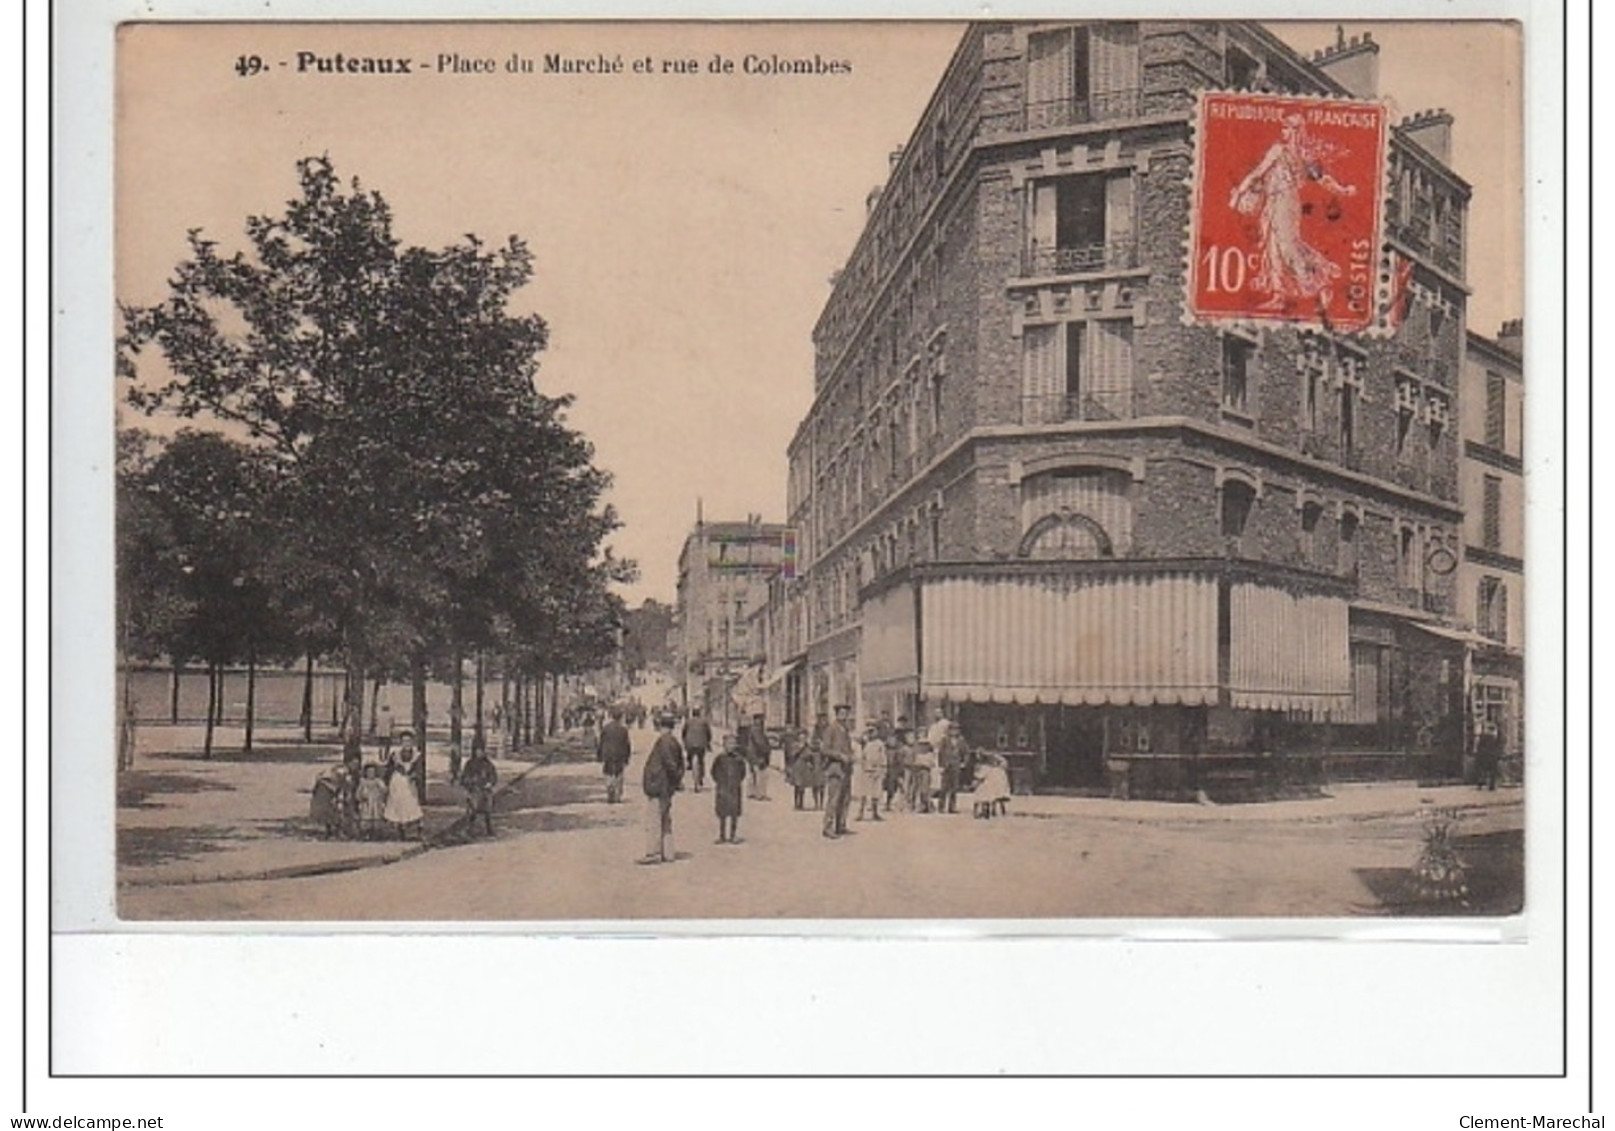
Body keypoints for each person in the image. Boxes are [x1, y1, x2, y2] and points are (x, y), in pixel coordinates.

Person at [1228, 112, 1358, 312]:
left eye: (1288, 128)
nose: (1284, 132)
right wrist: (1241, 192)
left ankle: (1319, 284)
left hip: (1287, 202)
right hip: (1271, 201)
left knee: (1288, 246)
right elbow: (1259, 173)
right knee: (1272, 249)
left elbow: (1322, 178)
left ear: (1297, 131)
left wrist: (1343, 190)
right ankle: (1279, 294)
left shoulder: (1302, 156)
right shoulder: (1277, 150)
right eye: (1283, 128)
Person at [640, 714, 686, 864]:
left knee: (654, 819)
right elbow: (680, 763)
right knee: (665, 819)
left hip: (659, 785)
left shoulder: (663, 742)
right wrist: (677, 780)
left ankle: (653, 852)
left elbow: (670, 764)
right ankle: (668, 852)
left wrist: (675, 779)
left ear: (662, 727)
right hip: (666, 786)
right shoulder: (674, 742)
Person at [821, 704, 855, 838]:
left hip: (846, 769)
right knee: (834, 799)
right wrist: (840, 756)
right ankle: (827, 827)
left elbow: (847, 748)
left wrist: (851, 755)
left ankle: (840, 825)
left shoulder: (845, 730)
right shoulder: (831, 729)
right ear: (837, 714)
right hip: (835, 768)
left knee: (845, 798)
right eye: (841, 713)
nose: (844, 716)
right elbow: (825, 749)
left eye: (846, 713)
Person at [711, 733, 747, 844]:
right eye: (729, 744)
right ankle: (722, 835)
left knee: (734, 812)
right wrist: (720, 782)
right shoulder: (720, 758)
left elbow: (743, 773)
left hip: (734, 788)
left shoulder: (739, 760)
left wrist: (737, 782)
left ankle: (733, 835)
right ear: (724, 745)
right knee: (722, 813)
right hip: (723, 788)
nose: (731, 746)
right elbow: (714, 771)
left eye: (733, 744)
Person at [384, 740, 425, 840]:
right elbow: (389, 769)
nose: (407, 745)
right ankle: (400, 830)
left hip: (409, 783)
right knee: (398, 804)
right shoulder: (395, 755)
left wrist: (414, 776)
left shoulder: (416, 756)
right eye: (404, 742)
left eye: (409, 742)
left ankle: (418, 829)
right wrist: (386, 782)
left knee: (412, 804)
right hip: (397, 782)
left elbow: (419, 770)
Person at [460, 744, 499, 837]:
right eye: (478, 751)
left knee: (487, 811)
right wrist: (469, 785)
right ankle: (469, 829)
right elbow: (464, 778)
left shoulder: (488, 764)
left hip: (485, 790)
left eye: (481, 751)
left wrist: (490, 783)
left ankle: (489, 829)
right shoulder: (469, 764)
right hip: (474, 790)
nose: (480, 753)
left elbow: (494, 776)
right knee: (472, 810)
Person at [597, 707, 633, 804]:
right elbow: (627, 744)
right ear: (620, 717)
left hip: (608, 754)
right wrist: (627, 757)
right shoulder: (623, 730)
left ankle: (610, 786)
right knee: (618, 773)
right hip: (619, 754)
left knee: (608, 772)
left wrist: (599, 754)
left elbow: (601, 742)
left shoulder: (606, 728)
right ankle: (617, 793)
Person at [854, 723, 888, 822]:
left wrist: (883, 768)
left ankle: (875, 813)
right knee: (863, 792)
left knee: (875, 793)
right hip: (867, 770)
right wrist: (864, 766)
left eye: (873, 731)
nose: (871, 733)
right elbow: (862, 757)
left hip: (877, 770)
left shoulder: (879, 744)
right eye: (869, 732)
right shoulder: (866, 744)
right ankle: (860, 812)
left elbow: (883, 757)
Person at [310, 763, 350, 839]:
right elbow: (315, 792)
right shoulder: (326, 782)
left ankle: (339, 832)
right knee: (328, 816)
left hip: (338, 803)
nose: (338, 777)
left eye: (341, 776)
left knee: (338, 816)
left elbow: (336, 790)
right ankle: (328, 831)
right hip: (327, 804)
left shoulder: (342, 784)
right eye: (337, 775)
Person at [937, 721, 967, 814]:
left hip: (956, 765)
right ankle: (941, 807)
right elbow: (940, 753)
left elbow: (966, 752)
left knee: (954, 787)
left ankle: (952, 807)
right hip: (946, 765)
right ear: (949, 730)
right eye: (952, 729)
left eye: (956, 729)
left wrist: (963, 762)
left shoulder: (961, 740)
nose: (954, 731)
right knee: (944, 787)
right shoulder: (944, 740)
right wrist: (941, 765)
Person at [972, 751, 1012, 819]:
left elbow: (980, 776)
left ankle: (978, 813)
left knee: (979, 799)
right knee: (989, 799)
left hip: (984, 786)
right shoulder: (996, 770)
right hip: (990, 787)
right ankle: (988, 811)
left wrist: (976, 780)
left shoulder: (986, 768)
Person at [743, 712, 772, 801]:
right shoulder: (757, 730)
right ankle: (761, 794)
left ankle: (751, 792)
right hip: (758, 755)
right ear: (757, 720)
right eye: (761, 719)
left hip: (751, 755)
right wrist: (767, 750)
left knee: (752, 773)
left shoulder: (752, 728)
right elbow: (760, 743)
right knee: (761, 775)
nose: (762, 721)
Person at [682, 708, 713, 793]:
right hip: (701, 744)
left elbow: (683, 733)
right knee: (701, 760)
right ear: (699, 713)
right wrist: (708, 742)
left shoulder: (688, 721)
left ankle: (689, 764)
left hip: (690, 744)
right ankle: (701, 777)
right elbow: (709, 733)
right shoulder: (704, 721)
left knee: (689, 755)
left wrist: (684, 741)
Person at [355, 762, 388, 839]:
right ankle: (366, 834)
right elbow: (358, 793)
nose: (371, 774)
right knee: (366, 819)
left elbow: (384, 790)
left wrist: (381, 792)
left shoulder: (378, 781)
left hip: (376, 803)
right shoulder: (363, 782)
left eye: (372, 772)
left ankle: (377, 834)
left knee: (377, 819)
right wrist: (361, 797)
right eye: (369, 772)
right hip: (366, 803)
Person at [1475, 721, 1502, 791]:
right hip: (1490, 756)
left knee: (1485, 771)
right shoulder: (1493, 737)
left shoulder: (1484, 737)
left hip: (1487, 756)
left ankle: (1483, 784)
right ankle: (1489, 785)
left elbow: (1479, 747)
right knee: (1490, 771)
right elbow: (1498, 747)